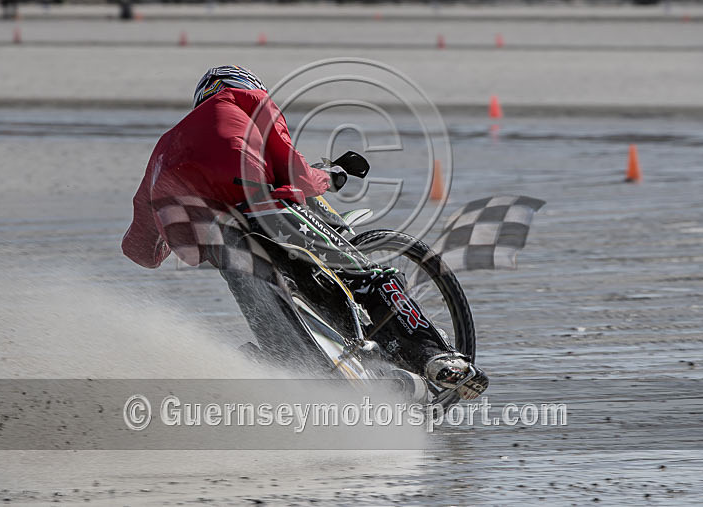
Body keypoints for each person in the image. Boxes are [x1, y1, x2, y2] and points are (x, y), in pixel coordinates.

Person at [121, 65, 488, 399]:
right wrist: (330, 177)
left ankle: (295, 376)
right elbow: (296, 174)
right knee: (368, 278)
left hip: (216, 239)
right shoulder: (247, 101)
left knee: (270, 318)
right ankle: (432, 355)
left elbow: (139, 250)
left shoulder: (163, 149)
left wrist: (167, 239)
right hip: (262, 207)